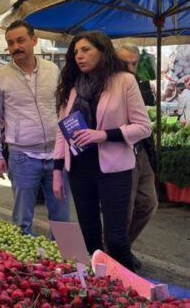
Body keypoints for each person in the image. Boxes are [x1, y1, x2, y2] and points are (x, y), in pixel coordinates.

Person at [53, 31, 151, 271]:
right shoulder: (71, 86)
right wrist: (57, 171)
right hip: (78, 169)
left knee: (117, 239)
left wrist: (104, 135)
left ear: (103, 50)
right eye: (75, 52)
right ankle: (100, 286)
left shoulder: (124, 81)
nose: (79, 56)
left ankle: (127, 280)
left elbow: (143, 127)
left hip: (114, 169)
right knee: (89, 238)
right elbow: (61, 131)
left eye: (86, 50)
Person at [0, 20, 69, 236]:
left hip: (56, 155)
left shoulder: (53, 70)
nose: (15, 47)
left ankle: (72, 263)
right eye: (10, 43)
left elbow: (63, 108)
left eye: (20, 40)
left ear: (34, 40)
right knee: (22, 221)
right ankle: (24, 268)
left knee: (62, 217)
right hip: (22, 156)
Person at [116, 44, 158, 269]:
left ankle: (121, 246)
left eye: (134, 63)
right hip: (121, 151)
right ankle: (116, 251)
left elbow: (147, 114)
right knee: (124, 208)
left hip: (142, 151)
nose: (130, 68)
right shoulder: (110, 83)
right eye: (125, 63)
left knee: (148, 203)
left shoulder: (141, 83)